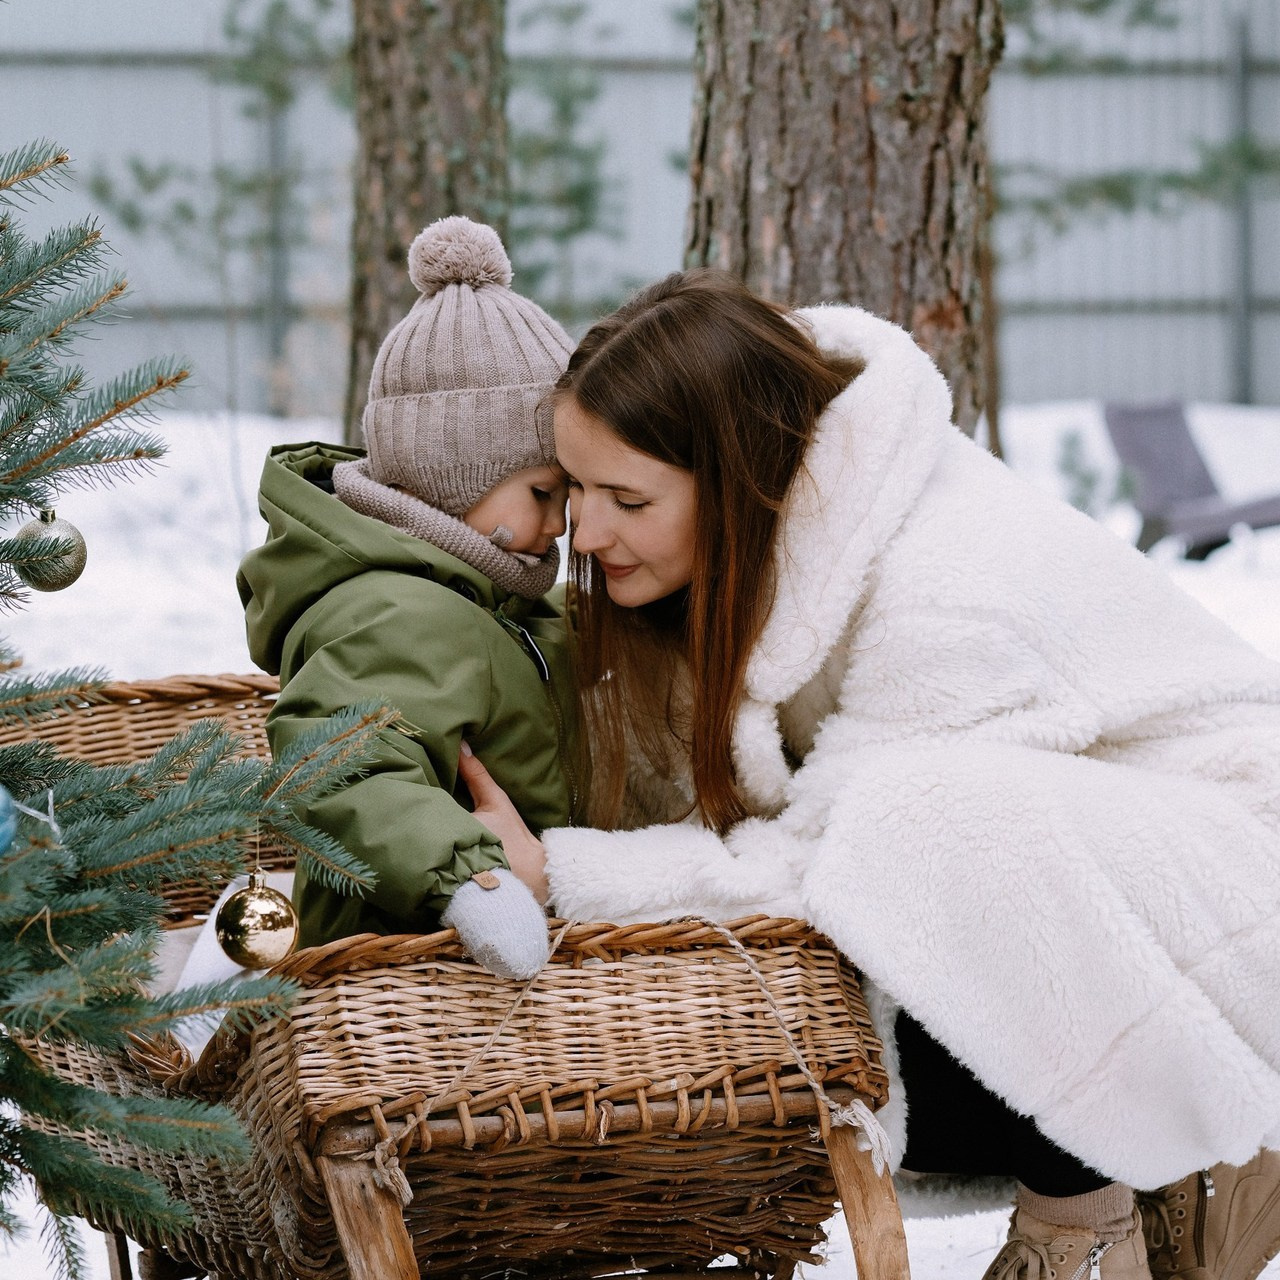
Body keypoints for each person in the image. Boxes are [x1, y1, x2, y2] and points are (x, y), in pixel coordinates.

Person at [455, 269, 1280, 1278]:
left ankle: (1093, 1217)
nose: (584, 531)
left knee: (918, 815)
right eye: (572, 487)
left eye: (626, 498)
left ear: (736, 474)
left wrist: (561, 874)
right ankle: (1163, 1159)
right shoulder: (767, 548)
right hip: (1109, 897)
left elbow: (831, 859)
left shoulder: (947, 588)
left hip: (1238, 899)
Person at [238, 216, 578, 978]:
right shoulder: (395, 612)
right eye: (543, 491)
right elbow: (345, 768)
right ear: (455, 473)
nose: (561, 523)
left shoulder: (497, 603)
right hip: (408, 980)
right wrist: (472, 881)